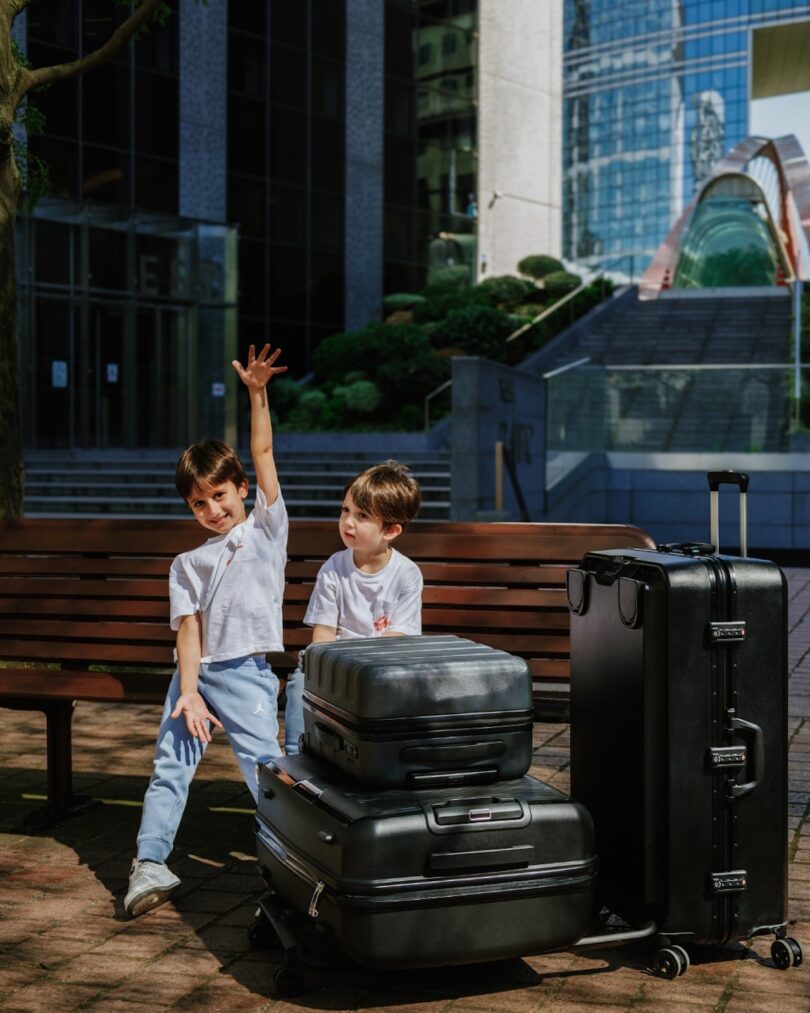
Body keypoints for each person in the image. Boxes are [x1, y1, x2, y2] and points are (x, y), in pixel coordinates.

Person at [124, 343, 303, 919]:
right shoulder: (186, 564)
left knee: (264, 773)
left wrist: (257, 394)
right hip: (196, 678)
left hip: (248, 673)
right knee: (169, 767)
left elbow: (264, 448)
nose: (211, 509)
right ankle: (149, 864)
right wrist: (191, 691)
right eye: (199, 502)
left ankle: (298, 862)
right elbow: (188, 632)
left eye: (220, 495)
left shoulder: (268, 531)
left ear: (242, 490)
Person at [284, 461, 424, 731]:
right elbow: (323, 634)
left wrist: (363, 671)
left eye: (362, 516)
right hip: (335, 666)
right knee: (299, 684)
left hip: (381, 668)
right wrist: (334, 669)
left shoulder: (407, 574)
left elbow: (397, 639)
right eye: (345, 510)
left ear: (391, 530)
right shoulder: (334, 568)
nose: (347, 521)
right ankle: (296, 755)